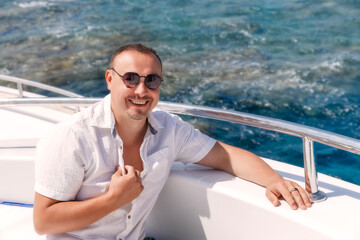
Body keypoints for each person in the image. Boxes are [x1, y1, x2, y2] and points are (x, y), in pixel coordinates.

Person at [33, 43, 312, 239]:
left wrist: (274, 180)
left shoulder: (169, 130)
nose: (141, 90)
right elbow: (43, 221)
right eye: (130, 79)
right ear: (110, 79)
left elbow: (225, 156)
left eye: (151, 80)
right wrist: (113, 199)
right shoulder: (72, 137)